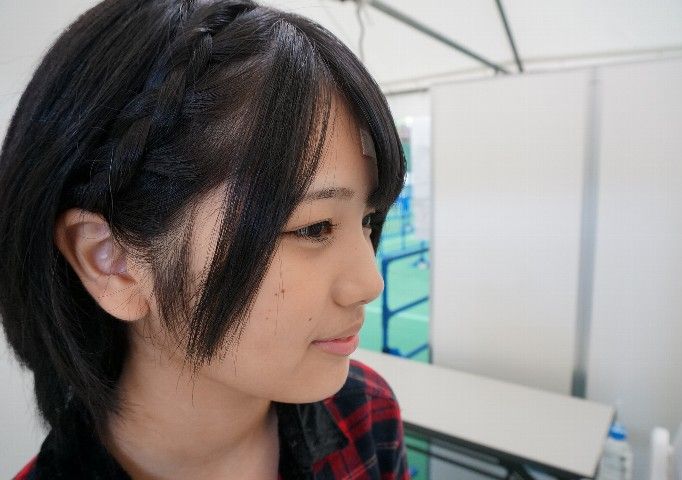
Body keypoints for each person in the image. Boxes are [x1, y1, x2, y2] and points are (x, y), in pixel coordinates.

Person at [0, 0, 409, 478]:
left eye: (368, 219)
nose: (369, 283)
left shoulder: (366, 413)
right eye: (313, 227)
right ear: (112, 260)